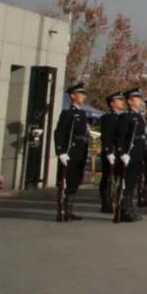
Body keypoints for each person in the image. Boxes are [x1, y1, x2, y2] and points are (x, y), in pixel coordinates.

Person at [53, 82, 91, 222]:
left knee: (75, 180)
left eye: (83, 94)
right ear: (72, 96)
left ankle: (69, 209)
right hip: (71, 151)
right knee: (66, 181)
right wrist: (61, 151)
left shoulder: (81, 113)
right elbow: (59, 133)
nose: (83, 97)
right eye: (80, 94)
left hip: (80, 151)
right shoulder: (67, 113)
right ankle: (62, 210)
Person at [114, 89, 147, 223]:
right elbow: (120, 137)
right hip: (129, 153)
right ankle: (124, 210)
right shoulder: (126, 116)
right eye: (137, 98)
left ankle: (130, 208)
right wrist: (122, 153)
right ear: (129, 101)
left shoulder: (140, 116)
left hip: (138, 153)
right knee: (126, 184)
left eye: (140, 98)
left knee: (132, 183)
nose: (140, 101)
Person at [98, 91, 125, 214]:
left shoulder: (122, 117)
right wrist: (109, 152)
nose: (122, 102)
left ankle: (116, 200)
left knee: (118, 177)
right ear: (112, 103)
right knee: (108, 177)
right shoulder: (108, 118)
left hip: (120, 152)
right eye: (119, 100)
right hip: (111, 152)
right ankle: (106, 203)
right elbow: (106, 136)